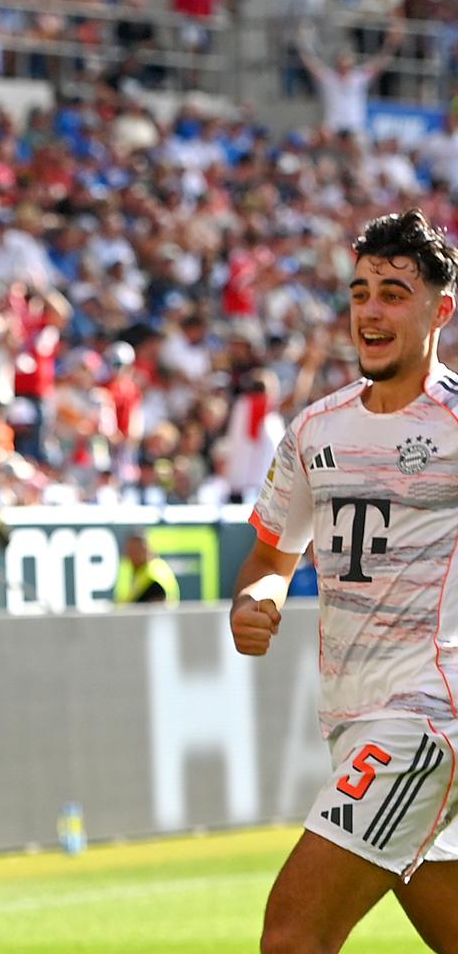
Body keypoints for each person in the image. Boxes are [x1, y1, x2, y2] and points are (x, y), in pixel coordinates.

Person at [232, 210, 458, 953]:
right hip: (352, 718)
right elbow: (271, 561)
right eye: (360, 292)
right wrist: (255, 603)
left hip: (426, 721)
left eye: (394, 293)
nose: (371, 310)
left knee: (292, 935)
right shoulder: (314, 431)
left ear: (439, 311)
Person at [115, 532, 179, 606]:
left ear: (147, 549)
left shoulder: (155, 574)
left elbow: (157, 608)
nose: (131, 555)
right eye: (129, 550)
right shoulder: (128, 569)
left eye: (137, 550)